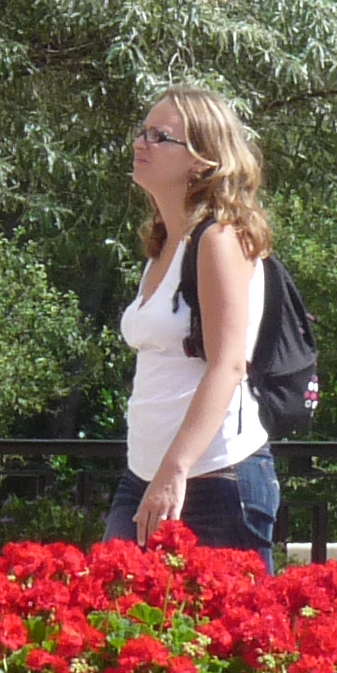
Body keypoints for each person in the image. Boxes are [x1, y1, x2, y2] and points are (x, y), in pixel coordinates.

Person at [106, 85, 280, 554]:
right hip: (144, 477)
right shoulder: (164, 243)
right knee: (111, 600)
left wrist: (174, 470)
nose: (141, 143)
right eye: (142, 131)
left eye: (159, 136)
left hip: (212, 481)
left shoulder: (218, 240)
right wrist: (159, 473)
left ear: (203, 160)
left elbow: (229, 364)